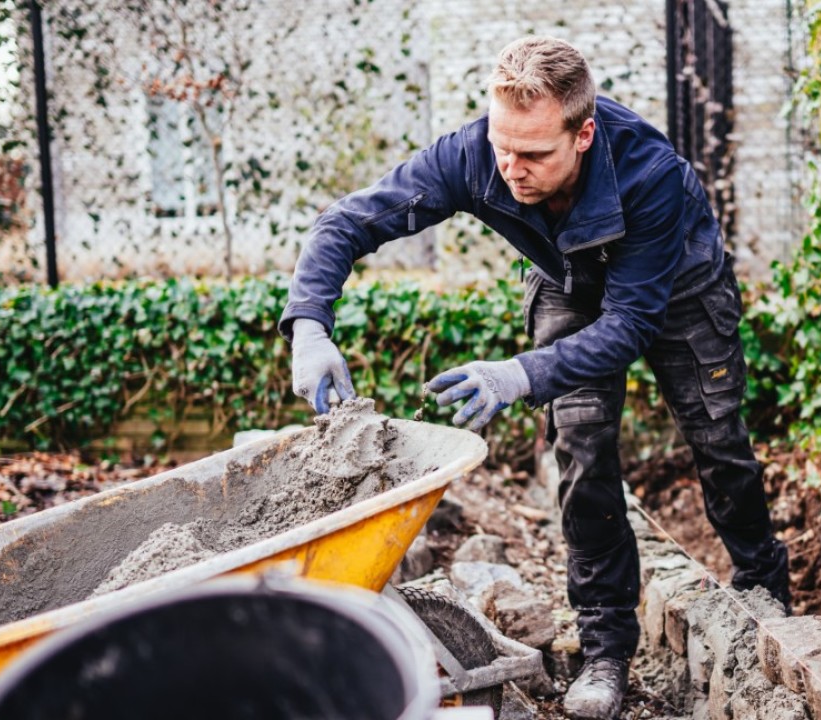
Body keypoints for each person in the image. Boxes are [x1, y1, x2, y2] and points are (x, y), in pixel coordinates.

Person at [280, 35, 790, 719]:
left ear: (583, 134)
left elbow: (629, 325)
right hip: (567, 278)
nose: (511, 170)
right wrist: (309, 326)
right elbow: (348, 221)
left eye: (534, 155)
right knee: (581, 450)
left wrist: (520, 374)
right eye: (503, 148)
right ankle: (606, 650)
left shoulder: (650, 174)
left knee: (718, 440)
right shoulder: (473, 155)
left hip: (677, 288)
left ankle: (764, 587)